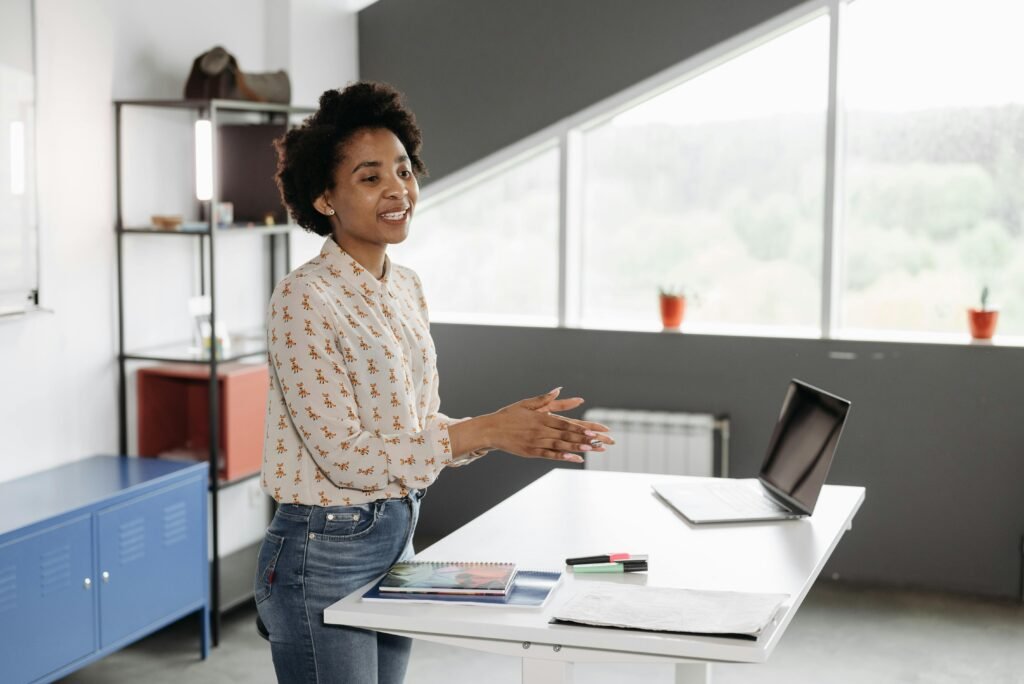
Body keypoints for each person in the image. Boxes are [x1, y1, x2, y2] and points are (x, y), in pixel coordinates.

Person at [255, 81, 614, 684]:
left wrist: (500, 429)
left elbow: (414, 429)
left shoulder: (406, 286)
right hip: (324, 551)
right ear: (324, 197)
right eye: (370, 178)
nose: (398, 189)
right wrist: (484, 431)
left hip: (397, 536)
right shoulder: (303, 298)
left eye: (403, 171)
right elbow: (346, 459)